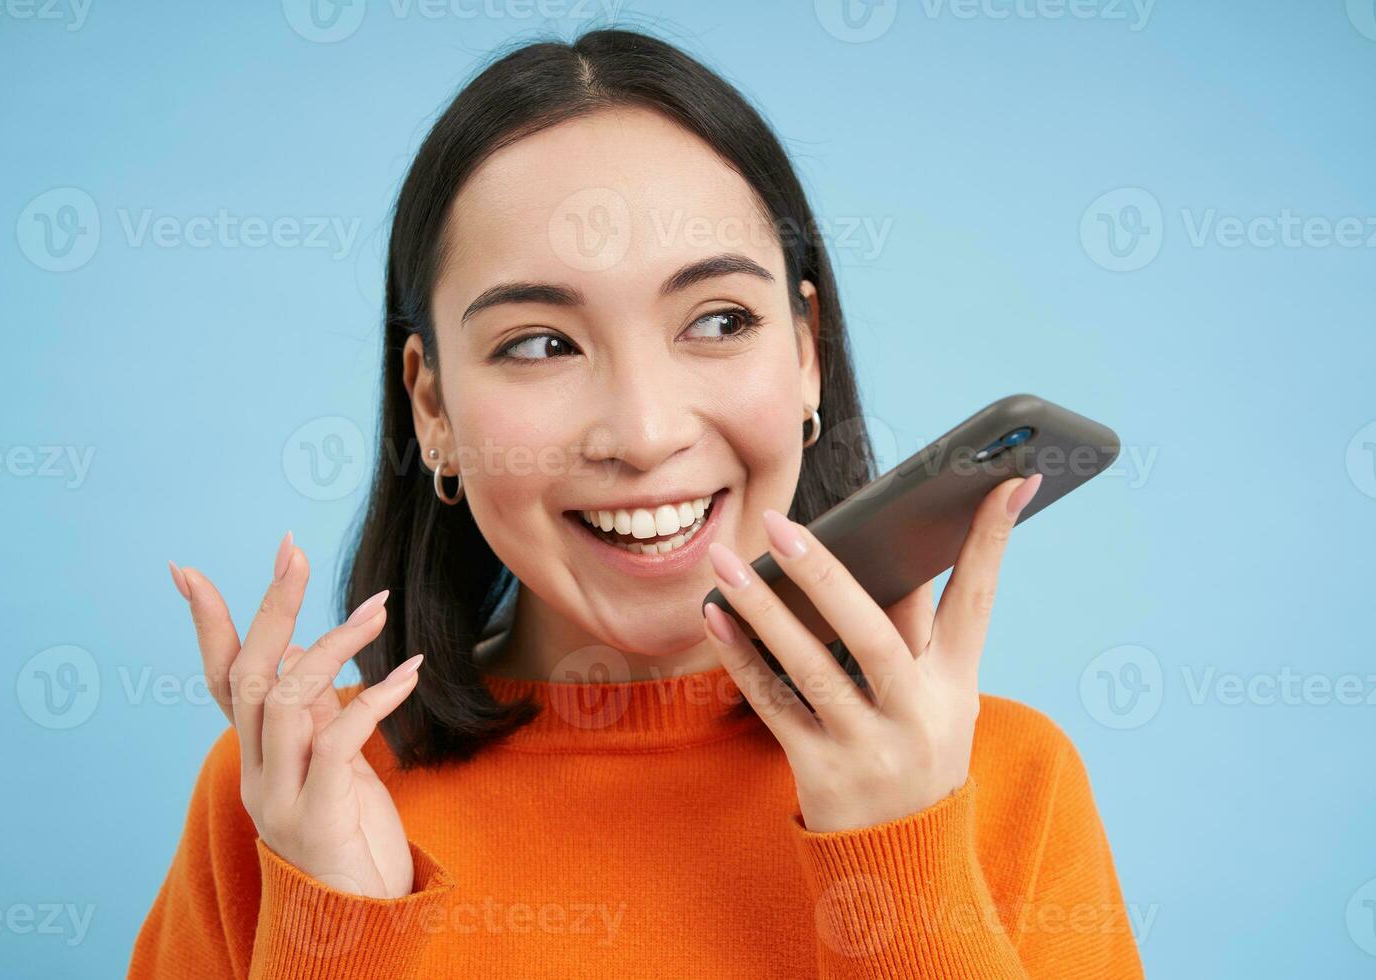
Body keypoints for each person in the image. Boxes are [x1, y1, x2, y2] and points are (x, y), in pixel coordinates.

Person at [131, 28, 1144, 979]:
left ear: (805, 352)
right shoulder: (288, 794)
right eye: (539, 342)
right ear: (430, 404)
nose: (647, 430)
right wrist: (337, 928)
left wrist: (903, 857)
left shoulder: (1006, 778)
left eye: (718, 319)